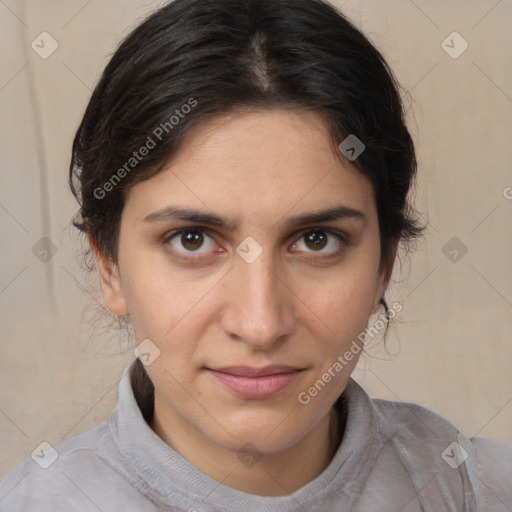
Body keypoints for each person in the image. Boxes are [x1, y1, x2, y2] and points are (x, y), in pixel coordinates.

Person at [1, 0, 510, 510]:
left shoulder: (474, 489)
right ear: (108, 265)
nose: (261, 324)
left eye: (317, 239)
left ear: (385, 264)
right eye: (192, 239)